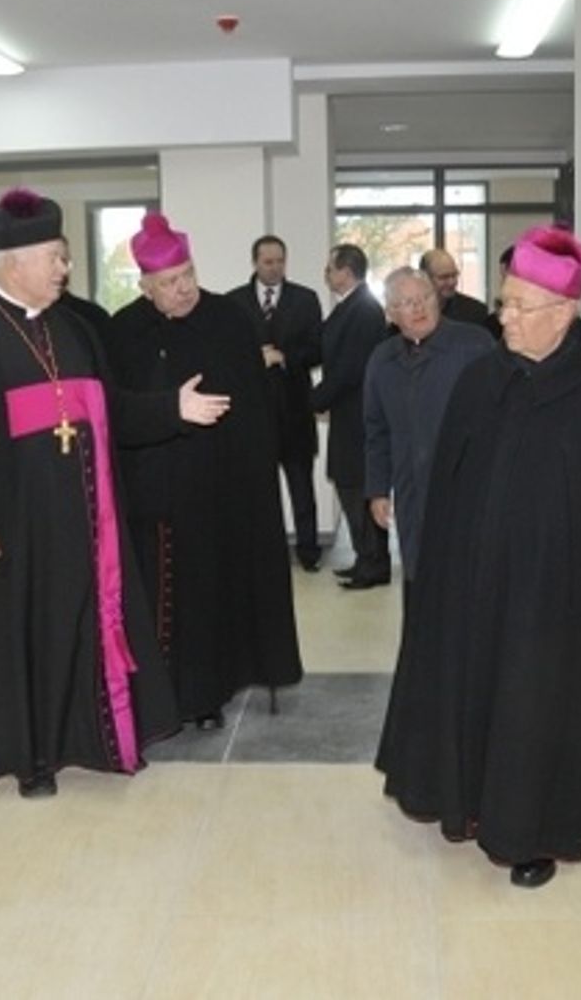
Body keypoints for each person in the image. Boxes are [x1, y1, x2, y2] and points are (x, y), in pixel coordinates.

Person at [376, 224, 581, 889]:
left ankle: (534, 830)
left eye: (516, 305)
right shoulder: (481, 379)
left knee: (533, 709)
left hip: (555, 610)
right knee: (475, 691)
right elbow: (449, 491)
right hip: (474, 589)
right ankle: (465, 798)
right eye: (503, 301)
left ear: (564, 312)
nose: (502, 316)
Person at [0, 190, 229, 797]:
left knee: (86, 633)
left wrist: (172, 408)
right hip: (16, 531)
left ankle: (98, 740)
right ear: (13, 262)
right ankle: (34, 758)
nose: (65, 268)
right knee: (28, 642)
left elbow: (112, 410)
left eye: (64, 257)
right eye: (55, 257)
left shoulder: (77, 329)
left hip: (90, 524)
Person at [101, 213, 303, 728]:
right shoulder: (123, 331)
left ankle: (210, 693)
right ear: (145, 287)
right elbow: (116, 414)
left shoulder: (229, 318)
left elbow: (254, 408)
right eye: (170, 282)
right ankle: (162, 697)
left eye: (188, 274)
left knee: (215, 595)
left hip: (222, 488)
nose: (184, 288)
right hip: (159, 496)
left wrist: (254, 479)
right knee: (168, 602)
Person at [362, 267, 492, 612]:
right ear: (391, 313)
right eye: (407, 303)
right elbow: (376, 430)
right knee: (418, 577)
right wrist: (378, 490)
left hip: (467, 487)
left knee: (465, 579)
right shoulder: (382, 359)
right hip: (412, 490)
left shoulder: (475, 345)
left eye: (425, 298)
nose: (418, 308)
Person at [226, 234, 325, 571]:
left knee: (301, 488)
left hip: (294, 411)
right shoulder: (234, 302)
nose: (275, 268)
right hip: (253, 415)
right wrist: (257, 358)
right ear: (255, 262)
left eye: (280, 261)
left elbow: (317, 349)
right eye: (268, 262)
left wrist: (285, 357)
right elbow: (227, 356)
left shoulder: (305, 299)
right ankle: (261, 554)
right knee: (256, 492)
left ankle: (309, 552)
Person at [313, 243, 391, 589]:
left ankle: (373, 564)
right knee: (350, 486)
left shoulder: (364, 310)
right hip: (348, 414)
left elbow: (349, 369)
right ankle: (365, 558)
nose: (327, 274)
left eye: (330, 268)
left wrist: (314, 399)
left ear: (345, 272)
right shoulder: (350, 307)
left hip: (359, 416)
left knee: (358, 488)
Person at [420, 248, 491, 331]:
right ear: (425, 278)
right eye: (444, 277)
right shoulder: (412, 310)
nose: (452, 282)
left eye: (454, 275)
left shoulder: (475, 312)